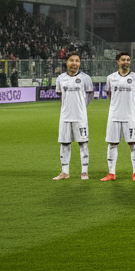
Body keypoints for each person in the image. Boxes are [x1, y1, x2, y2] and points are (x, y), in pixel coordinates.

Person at [102, 51, 135, 181]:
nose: (126, 62)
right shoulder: (111, 78)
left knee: (133, 143)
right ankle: (111, 173)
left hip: (130, 117)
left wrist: (131, 107)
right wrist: (117, 105)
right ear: (118, 61)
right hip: (114, 116)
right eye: (123, 60)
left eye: (128, 60)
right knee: (112, 144)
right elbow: (109, 94)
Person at [53, 52, 93, 180]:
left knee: (83, 143)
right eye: (72, 60)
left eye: (77, 61)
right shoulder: (60, 78)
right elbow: (60, 96)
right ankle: (64, 172)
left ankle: (84, 172)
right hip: (65, 117)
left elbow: (90, 95)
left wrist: (81, 107)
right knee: (64, 143)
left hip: (80, 117)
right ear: (67, 62)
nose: (74, 63)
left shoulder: (85, 78)